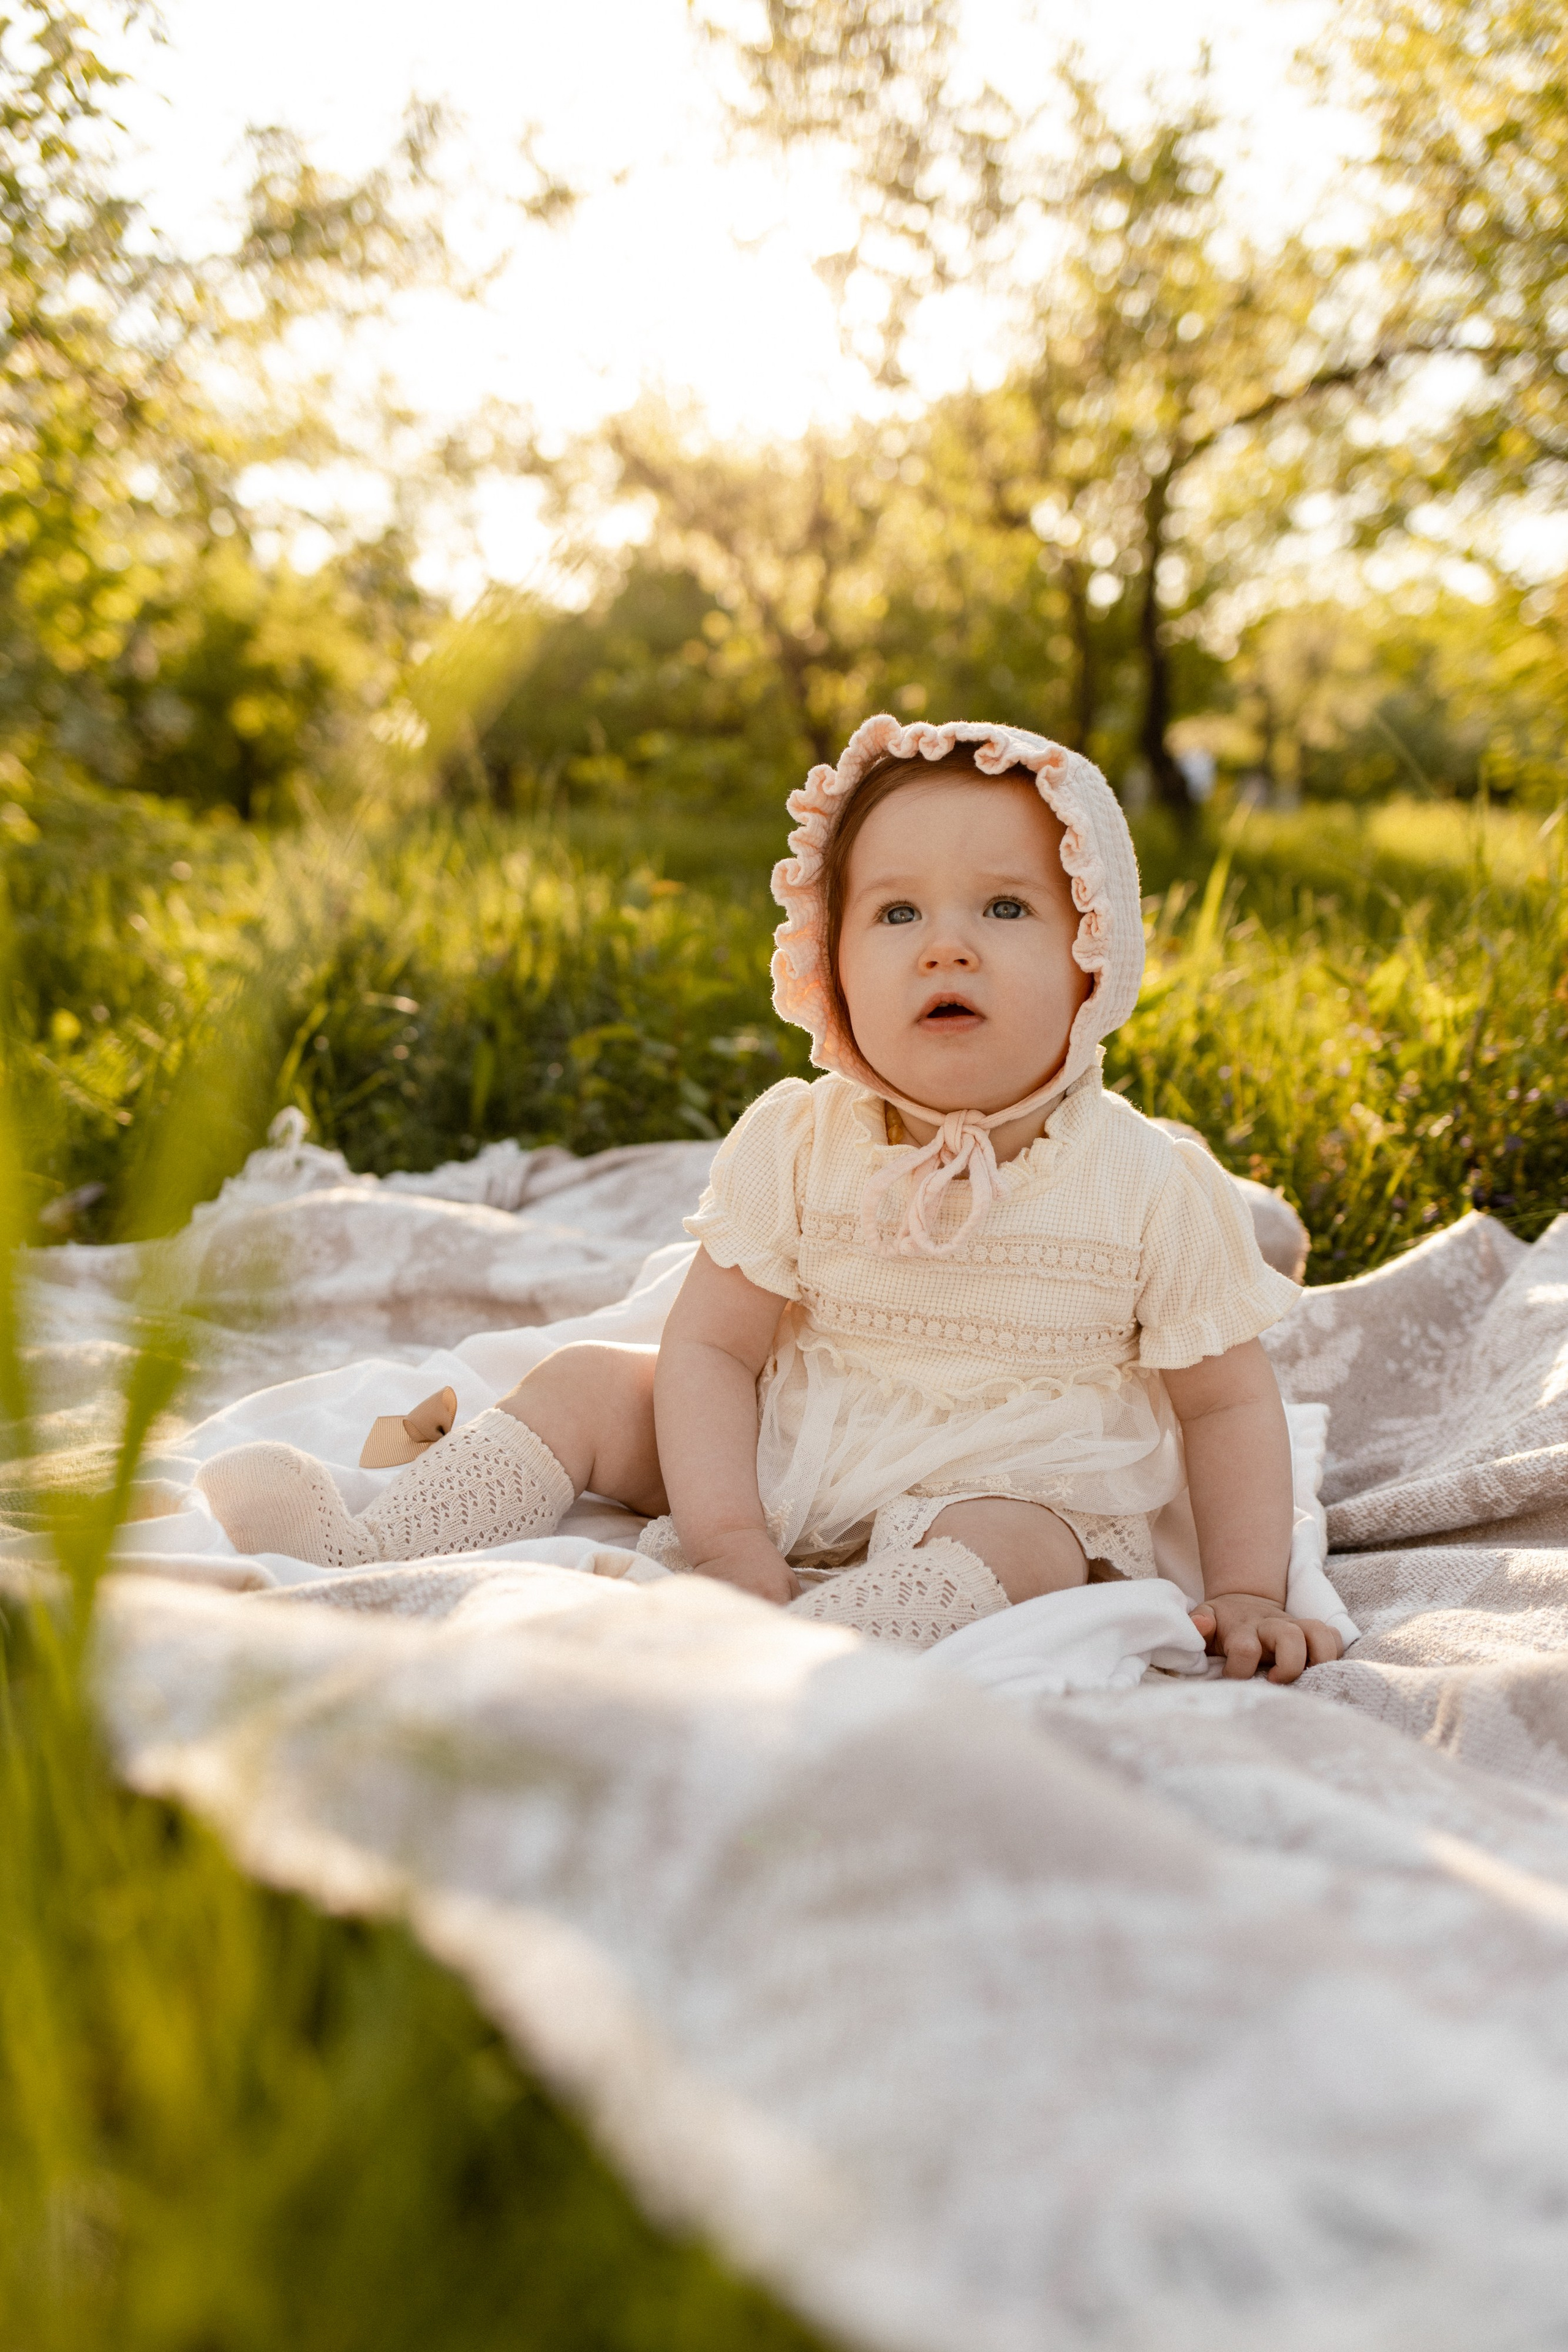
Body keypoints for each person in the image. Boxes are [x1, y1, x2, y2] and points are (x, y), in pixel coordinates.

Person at [200, 717, 1344, 1681]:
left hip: (1015, 1468)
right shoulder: (798, 1141)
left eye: (1004, 908)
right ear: (830, 961)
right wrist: (729, 1533)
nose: (946, 948)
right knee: (594, 1384)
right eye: (897, 915)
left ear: (1097, 954)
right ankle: (375, 1544)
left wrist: (1247, 1587)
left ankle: (829, 1644)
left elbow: (1225, 1408)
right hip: (796, 1434)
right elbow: (712, 1352)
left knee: (1029, 1548)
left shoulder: (1149, 1181)